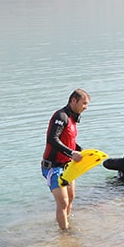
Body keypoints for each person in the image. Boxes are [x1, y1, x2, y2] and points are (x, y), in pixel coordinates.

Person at [42, 89, 90, 231]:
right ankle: (65, 234)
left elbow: (70, 141)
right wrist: (71, 152)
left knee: (70, 197)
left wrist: (82, 152)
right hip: (53, 167)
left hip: (68, 165)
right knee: (62, 203)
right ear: (74, 101)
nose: (86, 107)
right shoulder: (61, 116)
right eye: (84, 103)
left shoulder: (73, 119)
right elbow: (52, 138)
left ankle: (65, 224)